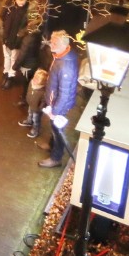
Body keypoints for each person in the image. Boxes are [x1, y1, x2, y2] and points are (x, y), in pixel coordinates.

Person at [40, 30, 79, 168]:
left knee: (58, 130)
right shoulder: (62, 56)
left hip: (59, 106)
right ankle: (52, 146)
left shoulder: (66, 66)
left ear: (63, 45)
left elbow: (64, 93)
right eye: (51, 40)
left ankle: (56, 158)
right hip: (55, 102)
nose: (51, 44)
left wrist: (55, 111)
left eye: (54, 42)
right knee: (54, 128)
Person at [0, 0, 30, 88]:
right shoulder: (10, 6)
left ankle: (11, 76)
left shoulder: (28, 10)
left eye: (23, 0)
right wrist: (7, 2)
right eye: (18, 0)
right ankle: (6, 73)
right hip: (7, 37)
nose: (21, 2)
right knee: (7, 56)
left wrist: (20, 36)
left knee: (14, 58)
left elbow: (28, 26)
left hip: (17, 39)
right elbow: (1, 16)